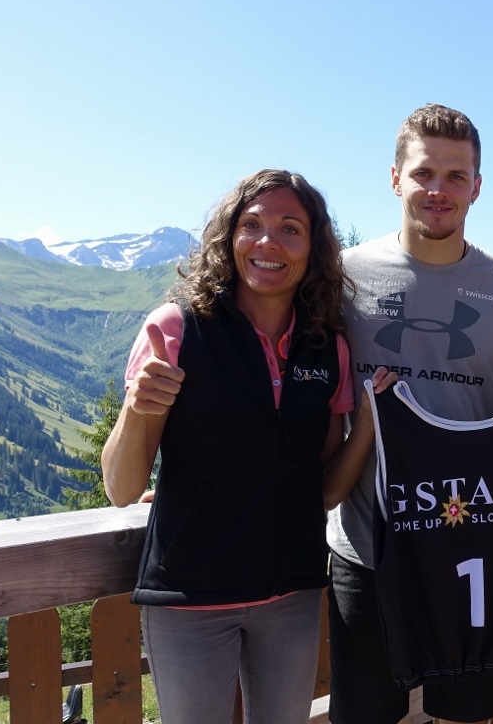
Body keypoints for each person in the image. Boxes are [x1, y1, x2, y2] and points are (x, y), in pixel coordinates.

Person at [325, 103, 493, 724]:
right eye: (423, 173)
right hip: (367, 548)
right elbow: (304, 393)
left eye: (456, 176)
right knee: (364, 716)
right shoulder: (342, 279)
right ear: (394, 178)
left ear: (478, 186)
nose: (439, 190)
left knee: (467, 717)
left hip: (473, 548)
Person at [101, 169, 372, 724]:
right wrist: (138, 407)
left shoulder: (328, 347)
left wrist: (366, 425)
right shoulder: (176, 330)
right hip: (189, 598)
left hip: (291, 593)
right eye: (251, 225)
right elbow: (122, 488)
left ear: (313, 248)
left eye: (290, 228)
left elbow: (323, 491)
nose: (268, 242)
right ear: (229, 238)